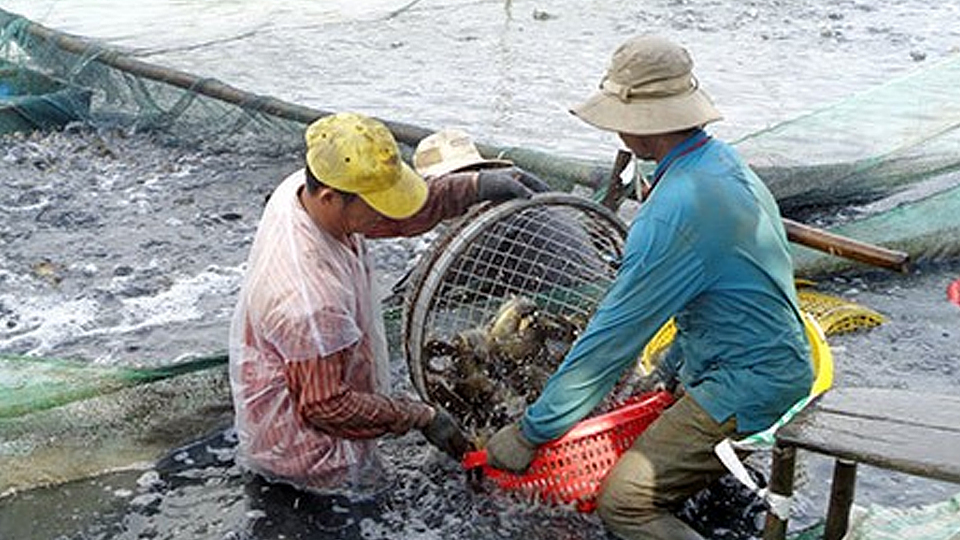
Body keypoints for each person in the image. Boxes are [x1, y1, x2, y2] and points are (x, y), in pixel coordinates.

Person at [484, 35, 814, 540]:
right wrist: (669, 369)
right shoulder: (721, 163)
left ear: (638, 126)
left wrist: (533, 432)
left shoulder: (673, 212)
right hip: (769, 356)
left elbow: (612, 341)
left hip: (751, 382)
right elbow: (722, 294)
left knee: (627, 502)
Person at [228, 112, 538, 492]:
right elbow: (328, 407)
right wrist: (421, 416)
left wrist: (476, 185)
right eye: (378, 203)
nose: (387, 212)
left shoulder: (306, 188)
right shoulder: (309, 296)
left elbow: (401, 215)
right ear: (330, 199)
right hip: (311, 463)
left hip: (307, 404)